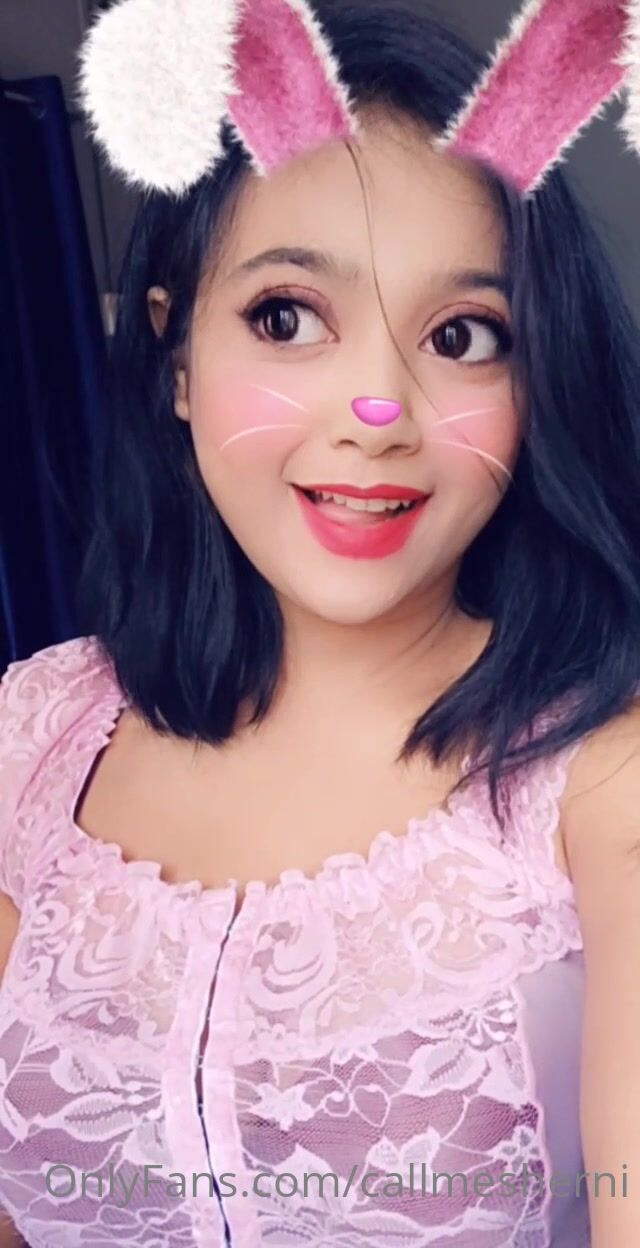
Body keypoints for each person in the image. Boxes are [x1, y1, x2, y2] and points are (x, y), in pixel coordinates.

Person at [1, 0, 640, 1245]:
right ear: (175, 359)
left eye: (461, 336)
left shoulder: (600, 778)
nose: (376, 412)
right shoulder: (34, 740)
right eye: (287, 317)